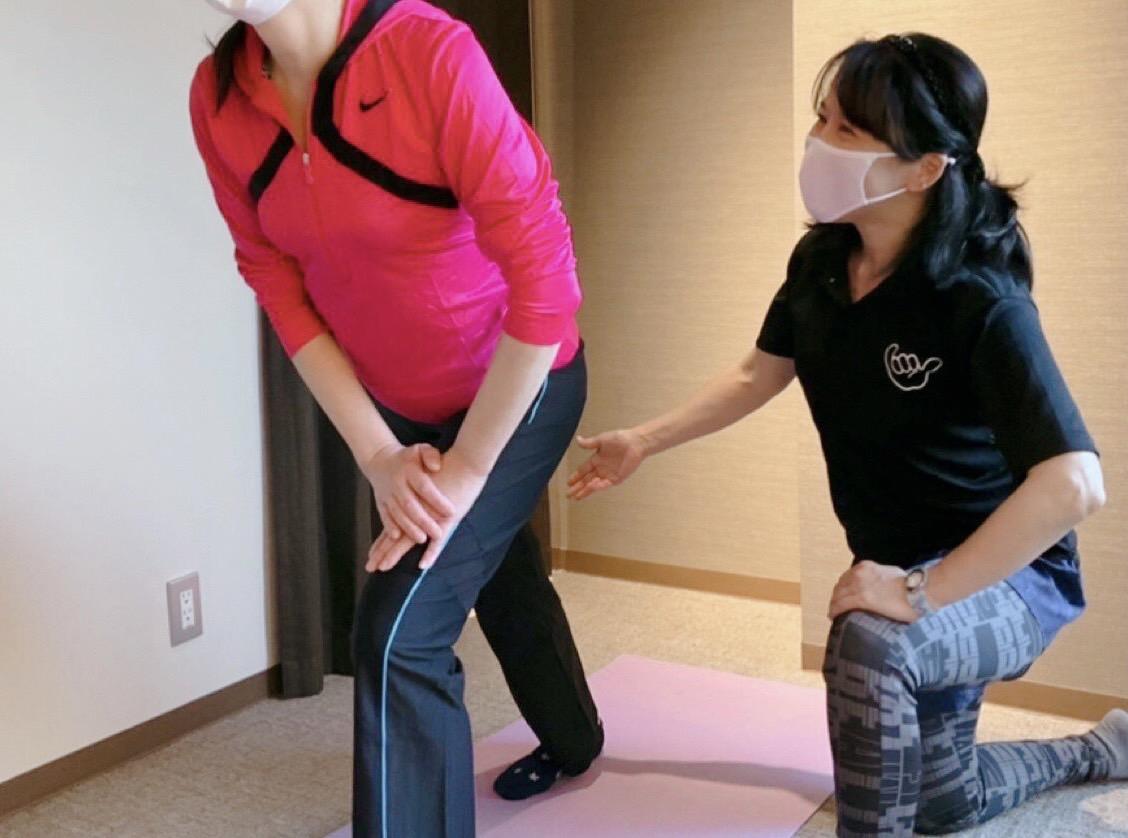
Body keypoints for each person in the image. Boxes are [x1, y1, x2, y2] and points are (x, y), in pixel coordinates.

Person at [568, 32, 1127, 837]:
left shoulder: (978, 298)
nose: (818, 142)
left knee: (868, 644)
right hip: (902, 567)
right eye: (822, 119)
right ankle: (1097, 751)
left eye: (847, 131)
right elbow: (758, 374)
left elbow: (1075, 484)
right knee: (942, 800)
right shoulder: (823, 263)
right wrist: (644, 441)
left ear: (924, 167)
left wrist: (921, 591)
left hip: (1012, 578)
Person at [189, 0, 603, 834]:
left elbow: (546, 284)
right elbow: (275, 282)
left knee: (397, 634)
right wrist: (378, 454)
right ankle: (574, 737)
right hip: (397, 403)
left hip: (521, 385)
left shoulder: (426, 53)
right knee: (492, 566)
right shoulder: (219, 96)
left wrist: (470, 469)